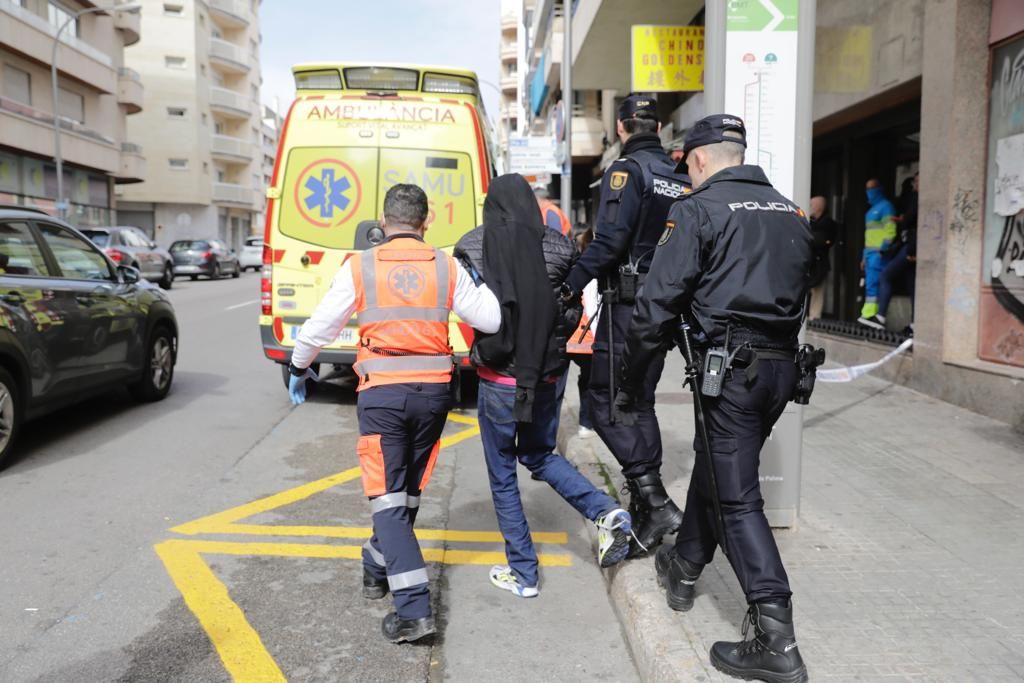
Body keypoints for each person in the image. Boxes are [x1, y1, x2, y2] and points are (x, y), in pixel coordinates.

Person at [616, 114, 811, 683]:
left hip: (732, 373)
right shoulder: (791, 212)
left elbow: (654, 307)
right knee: (719, 466)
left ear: (698, 160)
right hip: (779, 371)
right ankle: (684, 566)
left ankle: (775, 637)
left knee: (738, 497)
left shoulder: (698, 209)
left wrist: (630, 382)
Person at [287, 184, 500, 643]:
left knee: (387, 498)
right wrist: (478, 280)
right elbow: (492, 321)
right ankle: (374, 565)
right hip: (434, 394)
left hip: (383, 394)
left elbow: (321, 325)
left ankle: (414, 611)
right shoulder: (447, 266)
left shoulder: (360, 265)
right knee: (404, 495)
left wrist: (299, 366)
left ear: (383, 223)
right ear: (426, 224)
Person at [454, 174, 632, 599]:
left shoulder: (472, 244)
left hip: (499, 376)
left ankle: (524, 573)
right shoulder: (558, 243)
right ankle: (605, 512)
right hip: (548, 374)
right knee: (537, 453)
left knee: (502, 474)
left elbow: (472, 311)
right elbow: (572, 309)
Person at [559, 93, 692, 554]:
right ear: (658, 125)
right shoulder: (680, 175)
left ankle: (653, 497)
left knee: (602, 400)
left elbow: (610, 241)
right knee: (641, 401)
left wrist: (571, 283)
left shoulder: (626, 172)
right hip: (667, 306)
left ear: (621, 128)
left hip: (628, 306)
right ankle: (645, 510)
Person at [867, 173, 918, 332]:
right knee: (911, 285)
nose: (913, 184)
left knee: (886, 276)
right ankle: (915, 323)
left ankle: (880, 317)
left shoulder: (918, 200)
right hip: (908, 246)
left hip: (910, 247)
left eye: (916, 181)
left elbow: (917, 225)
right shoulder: (913, 199)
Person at [857, 178, 897, 327]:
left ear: (880, 188)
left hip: (878, 253)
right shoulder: (871, 210)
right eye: (867, 188)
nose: (869, 192)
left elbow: (890, 229)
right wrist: (864, 256)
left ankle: (873, 315)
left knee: (875, 283)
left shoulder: (886, 207)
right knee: (870, 284)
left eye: (872, 188)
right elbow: (869, 236)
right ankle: (868, 314)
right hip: (870, 254)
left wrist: (884, 249)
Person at [807, 196, 839, 320]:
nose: (809, 207)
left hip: (819, 262)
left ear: (818, 207)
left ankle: (814, 316)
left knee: (817, 290)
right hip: (810, 261)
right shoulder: (811, 221)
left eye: (811, 205)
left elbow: (822, 240)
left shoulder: (827, 223)